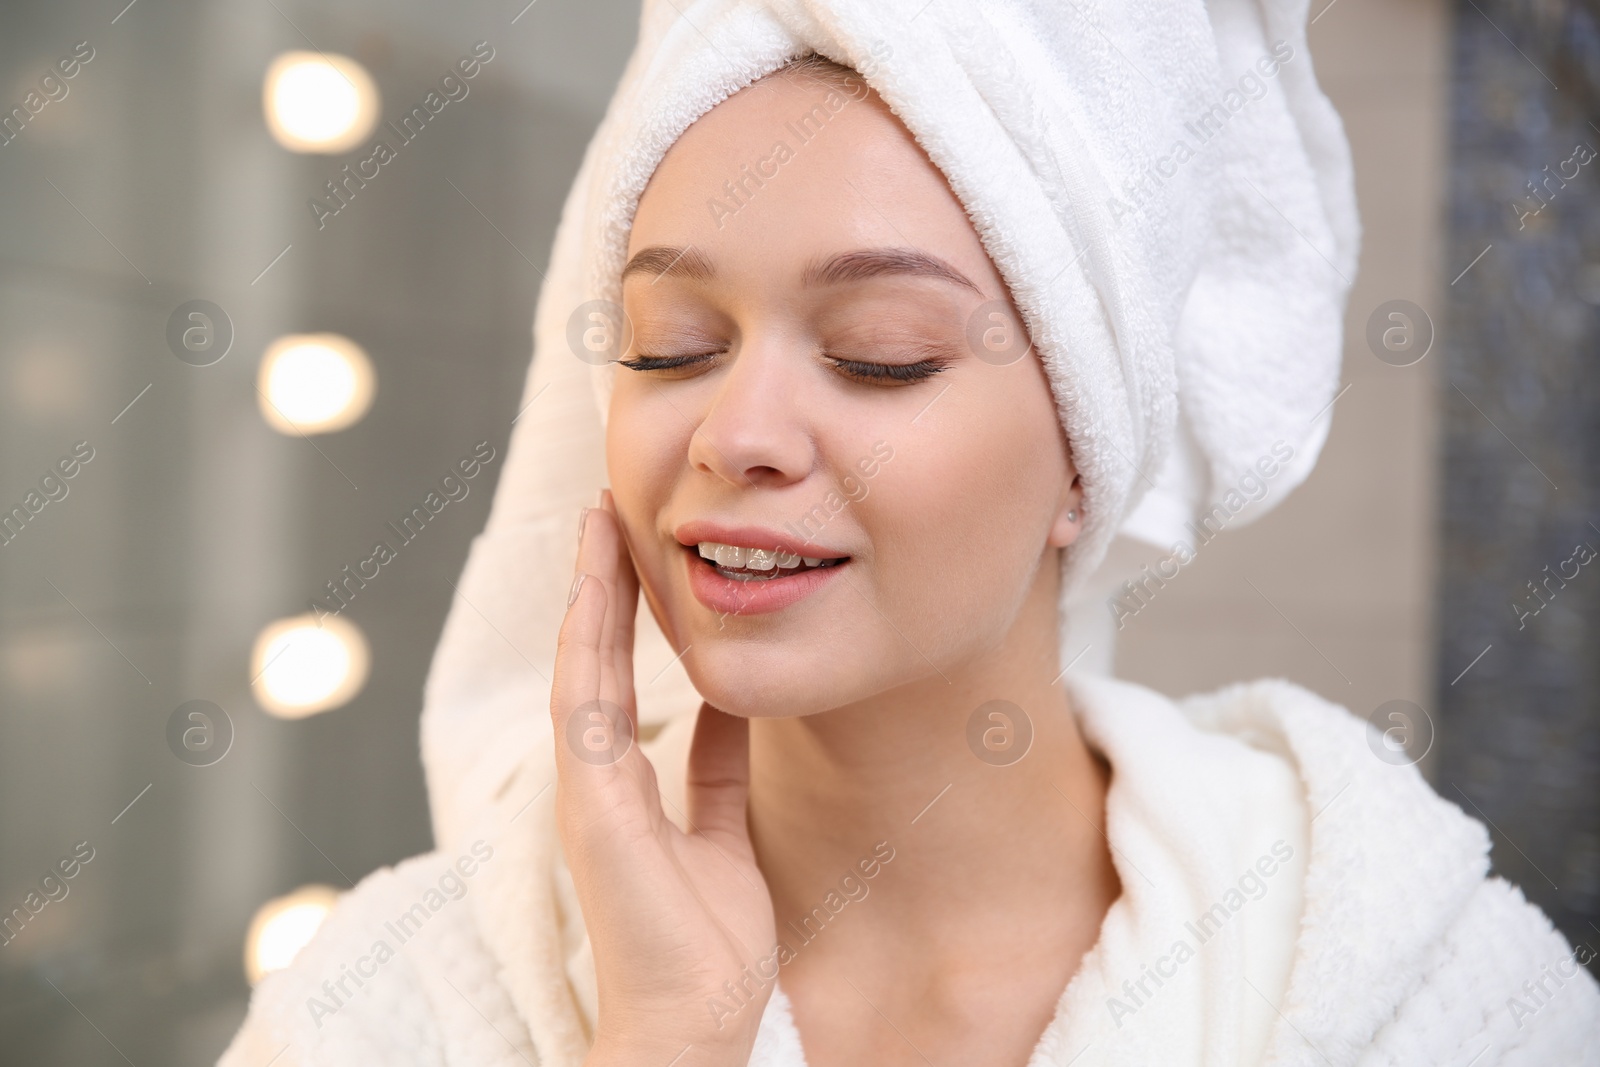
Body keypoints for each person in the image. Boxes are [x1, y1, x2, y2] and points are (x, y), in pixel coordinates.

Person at [219, 5, 1600, 1066]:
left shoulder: (1410, 994)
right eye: (673, 347)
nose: (734, 431)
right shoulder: (389, 1002)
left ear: (1086, 459)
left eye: (880, 357)